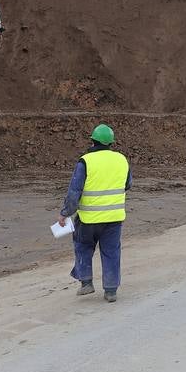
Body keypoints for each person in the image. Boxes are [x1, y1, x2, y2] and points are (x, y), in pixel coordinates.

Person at [58, 124, 130, 302]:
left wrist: (65, 213)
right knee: (111, 252)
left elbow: (74, 192)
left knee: (82, 247)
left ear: (92, 140)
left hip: (89, 219)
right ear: (111, 142)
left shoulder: (86, 161)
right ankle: (111, 290)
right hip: (114, 218)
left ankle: (86, 283)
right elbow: (127, 184)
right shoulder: (122, 159)